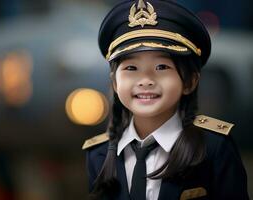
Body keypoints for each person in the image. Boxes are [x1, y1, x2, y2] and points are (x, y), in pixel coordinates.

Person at [82, 0, 250, 199]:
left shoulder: (213, 148)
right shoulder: (98, 154)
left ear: (190, 81)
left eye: (162, 67)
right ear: (115, 84)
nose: (145, 81)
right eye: (131, 68)